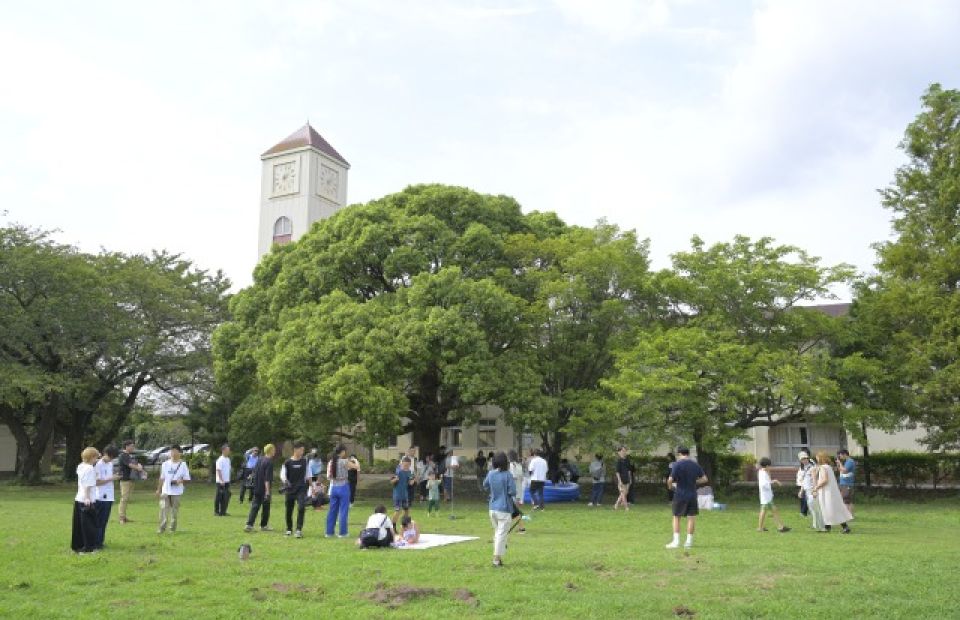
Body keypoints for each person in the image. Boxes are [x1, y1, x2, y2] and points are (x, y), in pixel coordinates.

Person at [665, 446, 708, 549]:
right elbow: (705, 479)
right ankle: (688, 542)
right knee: (691, 518)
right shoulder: (695, 465)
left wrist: (670, 487)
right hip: (692, 494)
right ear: (688, 454)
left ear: (679, 454)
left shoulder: (677, 464)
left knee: (676, 517)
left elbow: (670, 480)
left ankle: (676, 542)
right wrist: (694, 482)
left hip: (680, 494)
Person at [483, 451, 516, 567]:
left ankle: (498, 558)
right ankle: (496, 559)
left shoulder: (491, 473)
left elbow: (485, 485)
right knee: (501, 535)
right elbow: (512, 491)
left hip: (492, 508)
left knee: (498, 533)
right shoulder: (508, 475)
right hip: (504, 509)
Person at [812, 451, 852, 534]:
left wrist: (816, 487)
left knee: (828, 508)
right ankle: (828, 527)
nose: (817, 459)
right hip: (831, 491)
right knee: (832, 508)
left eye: (817, 458)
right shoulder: (828, 467)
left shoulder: (823, 467)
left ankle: (843, 527)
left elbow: (825, 480)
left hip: (826, 491)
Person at [72, 447, 101, 554]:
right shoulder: (89, 468)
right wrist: (87, 497)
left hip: (79, 498)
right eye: (96, 457)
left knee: (79, 525)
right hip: (86, 499)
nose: (97, 460)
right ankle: (88, 548)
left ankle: (77, 546)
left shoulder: (81, 466)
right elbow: (87, 485)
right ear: (92, 457)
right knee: (89, 526)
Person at [156, 445, 190, 534]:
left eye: (175, 451)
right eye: (171, 451)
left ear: (179, 453)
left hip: (177, 491)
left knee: (174, 511)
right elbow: (162, 478)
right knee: (163, 510)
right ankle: (161, 528)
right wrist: (158, 489)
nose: (173, 453)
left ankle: (172, 528)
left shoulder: (183, 464)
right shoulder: (165, 464)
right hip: (166, 490)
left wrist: (180, 481)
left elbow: (187, 479)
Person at [327, 445, 360, 538]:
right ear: (342, 452)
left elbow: (328, 476)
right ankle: (343, 532)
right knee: (343, 510)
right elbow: (357, 467)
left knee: (332, 511)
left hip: (333, 487)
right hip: (343, 487)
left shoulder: (331, 462)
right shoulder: (344, 461)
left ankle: (329, 532)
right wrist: (355, 460)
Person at [281, 441, 311, 538]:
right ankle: (289, 529)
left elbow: (308, 475)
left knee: (301, 507)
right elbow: (283, 475)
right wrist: (286, 481)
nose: (302, 452)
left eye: (303, 450)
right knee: (289, 510)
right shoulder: (287, 462)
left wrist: (312, 487)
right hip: (290, 489)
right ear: (295, 450)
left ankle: (298, 530)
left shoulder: (305, 462)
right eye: (301, 450)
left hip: (301, 489)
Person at [244, 444, 275, 533]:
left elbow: (254, 472)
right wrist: (267, 492)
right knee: (266, 507)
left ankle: (249, 525)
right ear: (270, 451)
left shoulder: (260, 459)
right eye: (274, 450)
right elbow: (267, 479)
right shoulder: (269, 462)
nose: (275, 452)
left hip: (257, 486)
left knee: (255, 506)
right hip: (264, 488)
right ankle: (264, 526)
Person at [93, 446, 119, 549]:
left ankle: (100, 541)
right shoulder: (98, 465)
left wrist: (114, 477)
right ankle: (96, 543)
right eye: (110, 457)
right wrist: (111, 478)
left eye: (113, 458)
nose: (111, 459)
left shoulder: (110, 464)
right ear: (105, 454)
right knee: (99, 521)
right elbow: (97, 482)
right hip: (100, 497)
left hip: (109, 497)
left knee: (104, 521)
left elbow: (109, 478)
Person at [757, 457, 792, 533]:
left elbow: (768, 481)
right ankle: (761, 528)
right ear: (766, 466)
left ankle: (780, 527)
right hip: (766, 497)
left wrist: (772, 478)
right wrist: (774, 481)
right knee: (765, 511)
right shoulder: (763, 473)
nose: (770, 467)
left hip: (767, 496)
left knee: (773, 510)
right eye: (769, 466)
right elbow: (764, 484)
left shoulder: (762, 472)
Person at [117, 439, 144, 524]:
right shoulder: (123, 455)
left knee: (127, 499)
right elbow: (130, 465)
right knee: (124, 499)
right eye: (132, 446)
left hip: (130, 479)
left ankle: (124, 517)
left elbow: (135, 463)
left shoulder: (129, 455)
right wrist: (139, 468)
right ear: (127, 446)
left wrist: (140, 466)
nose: (133, 448)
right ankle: (121, 518)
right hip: (125, 480)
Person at [391, 456, 415, 532]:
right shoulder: (398, 471)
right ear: (402, 464)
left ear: (410, 465)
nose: (406, 466)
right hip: (397, 495)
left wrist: (413, 480)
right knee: (398, 511)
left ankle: (404, 525)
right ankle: (393, 527)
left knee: (407, 511)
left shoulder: (409, 472)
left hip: (405, 494)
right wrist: (396, 479)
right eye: (404, 465)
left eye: (407, 465)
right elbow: (391, 481)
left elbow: (410, 483)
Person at [836, 449, 856, 517]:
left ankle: (849, 515)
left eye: (840, 455)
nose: (840, 457)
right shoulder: (846, 461)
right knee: (846, 500)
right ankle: (848, 515)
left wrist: (840, 463)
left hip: (847, 484)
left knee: (847, 500)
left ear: (844, 454)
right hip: (843, 483)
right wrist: (838, 464)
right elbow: (841, 470)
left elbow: (844, 470)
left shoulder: (850, 461)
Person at [214, 444, 232, 517]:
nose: (229, 451)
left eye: (229, 450)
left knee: (226, 497)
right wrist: (221, 480)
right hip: (220, 482)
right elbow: (218, 470)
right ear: (223, 450)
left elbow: (228, 470)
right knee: (219, 497)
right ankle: (216, 511)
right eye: (227, 450)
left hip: (227, 481)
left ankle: (223, 511)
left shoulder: (228, 459)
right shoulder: (220, 460)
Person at [796, 450, 815, 517]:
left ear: (807, 458)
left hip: (810, 487)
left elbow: (813, 478)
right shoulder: (803, 466)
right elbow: (801, 476)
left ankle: (805, 512)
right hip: (803, 485)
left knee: (808, 500)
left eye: (805, 459)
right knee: (803, 499)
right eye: (802, 459)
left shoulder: (812, 466)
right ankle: (804, 512)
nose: (804, 460)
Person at [614, 446, 632, 511]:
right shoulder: (618, 460)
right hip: (620, 479)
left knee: (625, 493)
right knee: (623, 494)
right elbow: (617, 472)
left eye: (625, 451)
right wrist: (619, 481)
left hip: (627, 478)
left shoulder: (627, 460)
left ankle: (616, 505)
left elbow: (629, 470)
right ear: (619, 452)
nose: (624, 452)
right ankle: (626, 507)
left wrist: (630, 478)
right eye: (623, 451)